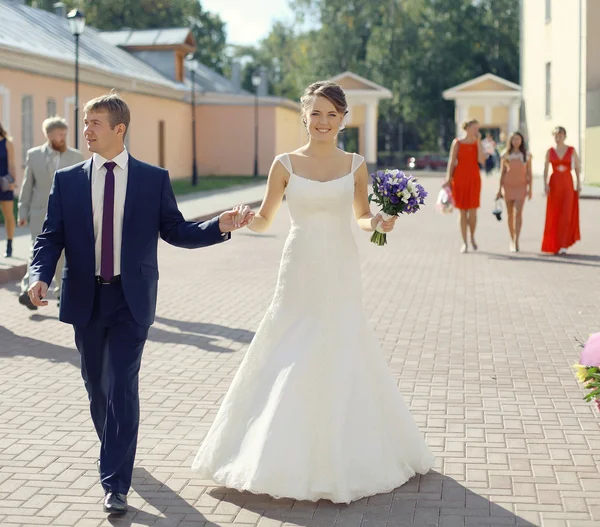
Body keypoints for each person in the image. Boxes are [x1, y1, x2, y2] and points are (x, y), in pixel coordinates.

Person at [192, 81, 434, 504]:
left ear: (343, 119)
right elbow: (268, 218)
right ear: (304, 116)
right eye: (316, 113)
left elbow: (360, 216)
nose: (323, 122)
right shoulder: (284, 163)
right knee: (290, 344)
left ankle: (348, 453)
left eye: (332, 114)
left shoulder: (356, 164)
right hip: (299, 265)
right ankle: (274, 453)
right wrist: (245, 220)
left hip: (340, 265)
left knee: (343, 343)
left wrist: (377, 223)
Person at [27, 93, 253, 515]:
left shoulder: (152, 179)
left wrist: (217, 226)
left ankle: (115, 481)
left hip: (131, 299)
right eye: (85, 122)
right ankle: (115, 450)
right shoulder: (69, 180)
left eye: (95, 123)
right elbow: (50, 237)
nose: (86, 130)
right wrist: (38, 275)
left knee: (123, 387)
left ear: (119, 129)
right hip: (85, 296)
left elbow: (176, 231)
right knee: (97, 387)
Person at [18, 117, 83, 310]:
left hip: (68, 214)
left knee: (63, 254)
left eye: (65, 134)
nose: (63, 137)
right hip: (40, 213)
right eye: (59, 134)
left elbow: (82, 188)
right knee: (36, 251)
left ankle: (63, 293)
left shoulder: (76, 157)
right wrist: (22, 210)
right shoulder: (34, 155)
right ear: (49, 135)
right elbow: (27, 185)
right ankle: (28, 291)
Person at [443, 119, 485, 253]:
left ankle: (472, 237)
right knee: (462, 211)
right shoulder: (457, 143)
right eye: (474, 128)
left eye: (478, 128)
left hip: (474, 178)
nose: (476, 130)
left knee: (473, 212)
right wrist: (448, 178)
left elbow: (482, 160)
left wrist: (478, 143)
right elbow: (451, 160)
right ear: (467, 128)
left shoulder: (477, 143)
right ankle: (464, 242)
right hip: (459, 178)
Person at [541, 126, 581, 255]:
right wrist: (545, 184)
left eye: (560, 135)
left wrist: (579, 183)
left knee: (566, 213)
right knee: (555, 213)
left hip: (567, 183)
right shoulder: (550, 151)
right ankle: (555, 243)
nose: (558, 137)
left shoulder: (571, 150)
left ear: (565, 136)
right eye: (556, 135)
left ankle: (564, 243)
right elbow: (546, 168)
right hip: (555, 184)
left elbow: (577, 167)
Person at [496, 132, 532, 252]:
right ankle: (511, 239)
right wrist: (499, 189)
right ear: (510, 141)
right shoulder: (506, 155)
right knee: (510, 214)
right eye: (514, 139)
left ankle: (516, 240)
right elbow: (502, 172)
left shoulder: (526, 155)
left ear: (521, 140)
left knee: (518, 213)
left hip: (521, 186)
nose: (516, 141)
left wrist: (530, 189)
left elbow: (529, 173)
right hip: (508, 186)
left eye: (518, 139)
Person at [0, 121, 17, 258]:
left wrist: (13, 181)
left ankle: (9, 244)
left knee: (8, 216)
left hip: (4, 183)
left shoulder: (7, 143)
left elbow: (11, 164)